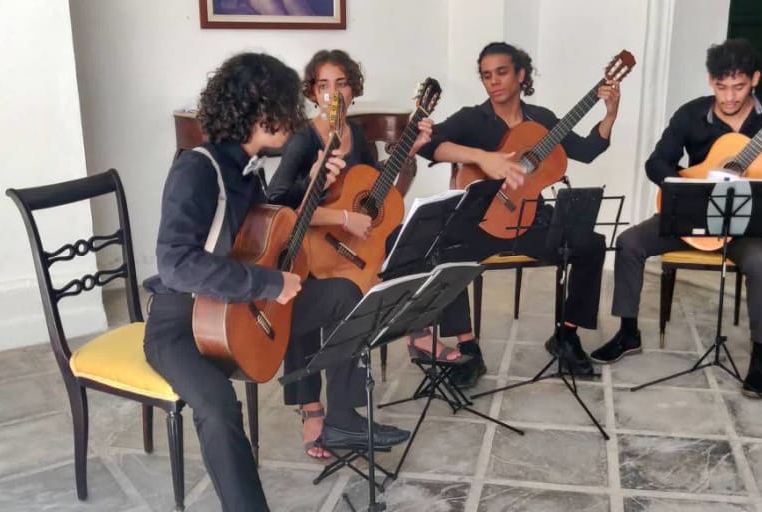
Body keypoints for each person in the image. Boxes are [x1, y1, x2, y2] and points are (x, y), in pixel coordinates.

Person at [142, 52, 399, 511]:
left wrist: (314, 185)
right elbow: (177, 264)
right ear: (258, 110)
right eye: (286, 105)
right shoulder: (196, 169)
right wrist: (268, 283)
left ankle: (341, 415)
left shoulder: (248, 166)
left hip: (239, 308)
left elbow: (272, 224)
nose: (296, 117)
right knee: (219, 407)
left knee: (346, 293)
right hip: (181, 323)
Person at [592, 38, 762, 397]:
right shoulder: (691, 114)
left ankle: (761, 354)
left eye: (739, 87)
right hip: (692, 218)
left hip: (744, 225)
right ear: (710, 81)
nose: (729, 97)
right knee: (629, 242)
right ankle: (627, 332)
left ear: (755, 79)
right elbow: (657, 162)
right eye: (721, 86)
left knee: (761, 261)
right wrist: (690, 185)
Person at [411, 41, 621, 387]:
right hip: (482, 223)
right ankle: (468, 348)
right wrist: (482, 157)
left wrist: (609, 114)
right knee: (444, 254)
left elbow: (586, 151)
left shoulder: (542, 120)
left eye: (502, 72)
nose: (494, 81)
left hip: (528, 219)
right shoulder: (473, 118)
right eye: (486, 75)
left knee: (591, 244)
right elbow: (429, 145)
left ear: (521, 75)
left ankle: (566, 335)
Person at [266, 49, 422, 459]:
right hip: (305, 250)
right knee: (309, 291)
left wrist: (406, 153)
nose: (333, 93)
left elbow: (374, 189)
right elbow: (276, 206)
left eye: (341, 84)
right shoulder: (303, 139)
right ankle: (311, 408)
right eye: (323, 85)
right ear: (312, 93)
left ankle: (344, 411)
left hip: (345, 249)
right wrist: (341, 216)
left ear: (353, 89)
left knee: (360, 297)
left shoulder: (357, 135)